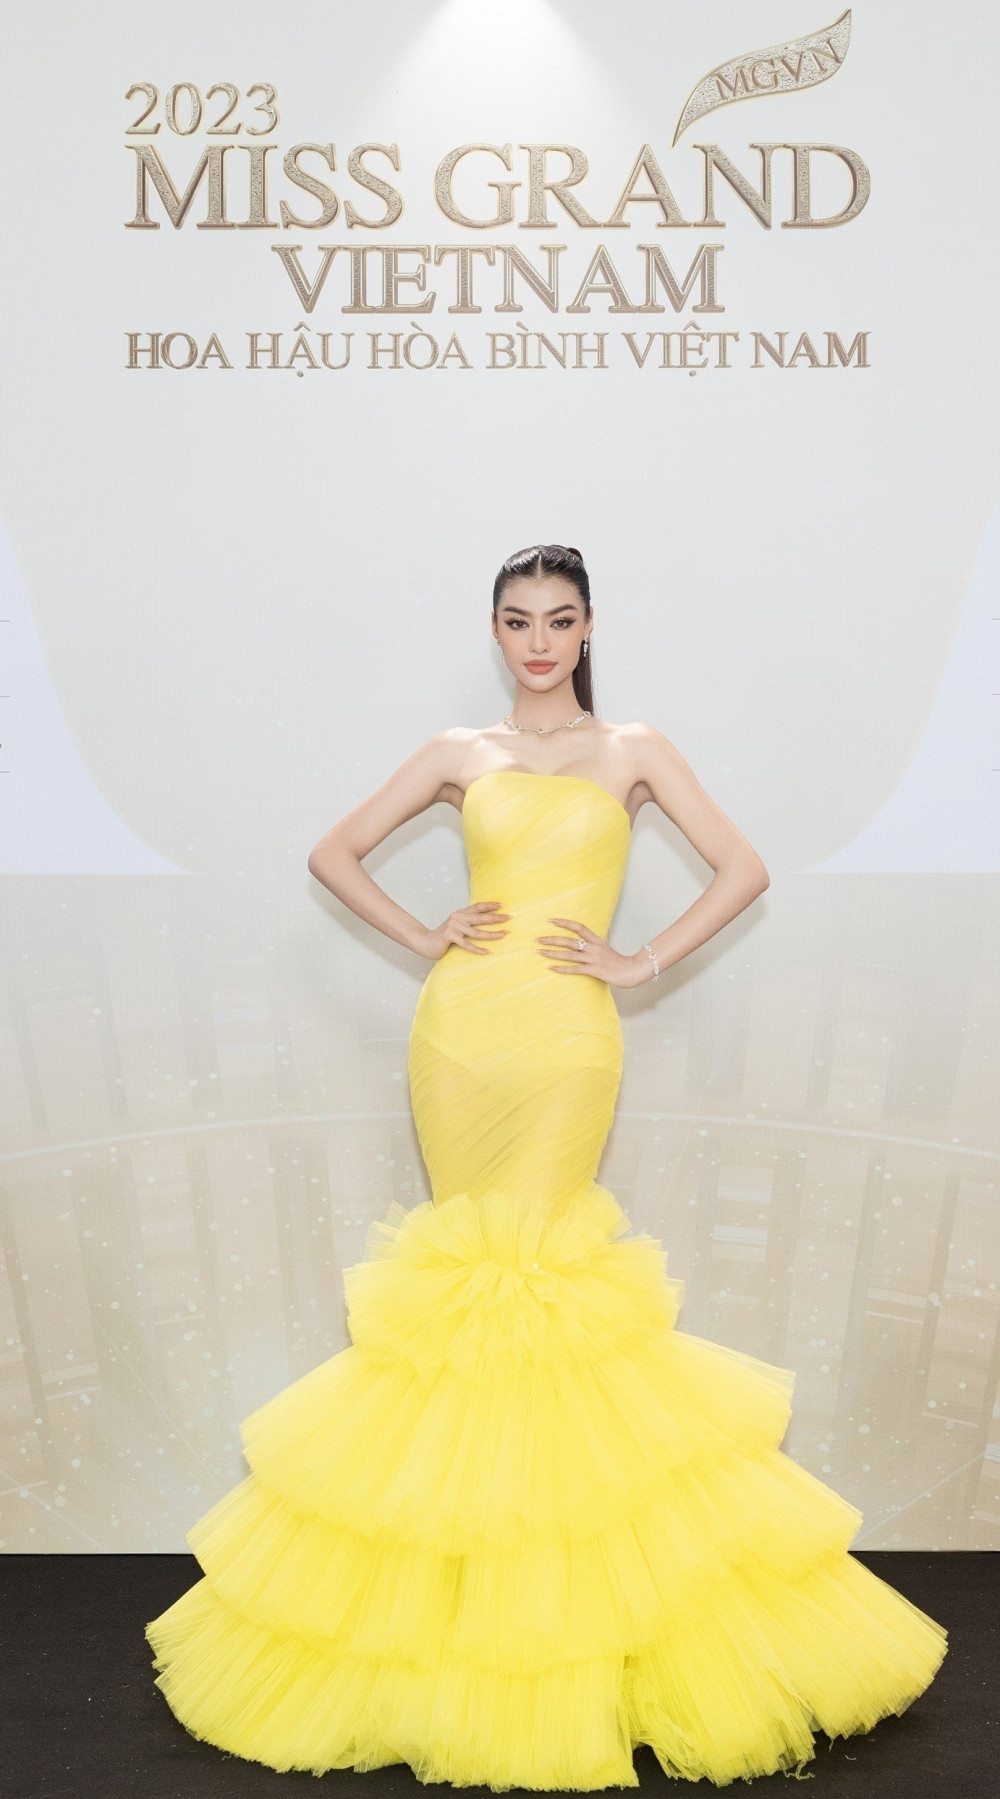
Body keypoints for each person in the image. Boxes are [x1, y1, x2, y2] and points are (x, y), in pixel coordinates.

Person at [146, 543, 947, 1788]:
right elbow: (332, 851)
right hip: (460, 1034)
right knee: (465, 1299)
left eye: (558, 619)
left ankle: (567, 1626)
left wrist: (640, 960)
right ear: (496, 630)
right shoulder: (457, 752)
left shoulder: (632, 747)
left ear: (586, 628)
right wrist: (424, 933)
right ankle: (464, 1616)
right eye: (518, 620)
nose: (537, 640)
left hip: (570, 1036)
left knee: (545, 1287)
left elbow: (743, 867)